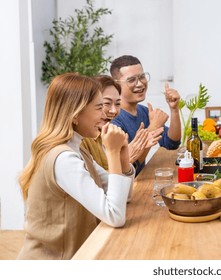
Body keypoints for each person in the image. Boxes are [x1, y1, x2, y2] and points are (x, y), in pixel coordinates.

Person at [17, 73, 135, 260]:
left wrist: (122, 156)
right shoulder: (64, 159)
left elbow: (125, 196)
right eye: (99, 108)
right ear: (75, 114)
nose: (105, 115)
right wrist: (112, 153)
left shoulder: (78, 150)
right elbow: (115, 216)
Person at [110, 55, 181, 175]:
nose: (140, 84)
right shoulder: (114, 119)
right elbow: (129, 167)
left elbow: (172, 143)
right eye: (131, 80)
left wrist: (174, 109)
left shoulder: (143, 111)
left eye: (142, 77)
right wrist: (153, 126)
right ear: (116, 84)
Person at [81, 75, 163, 170]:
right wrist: (128, 158)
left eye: (118, 104)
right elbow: (103, 182)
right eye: (106, 103)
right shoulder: (81, 140)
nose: (114, 111)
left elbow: (172, 143)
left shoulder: (104, 133)